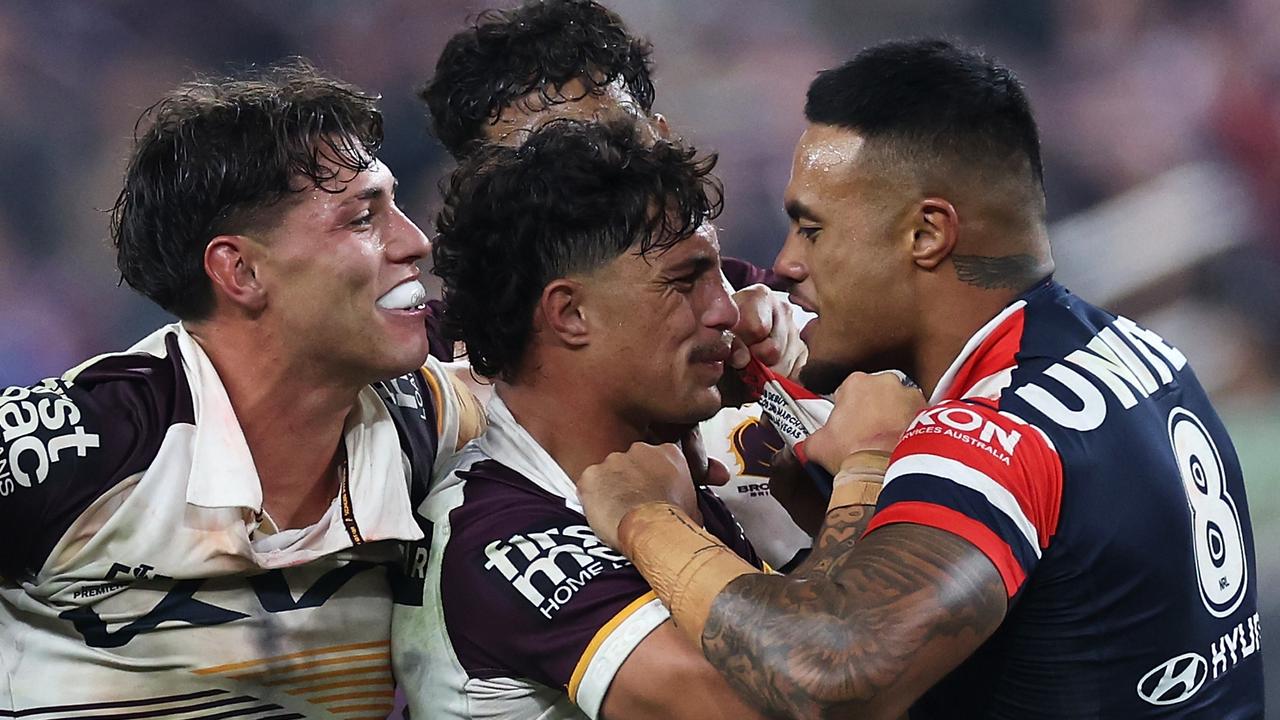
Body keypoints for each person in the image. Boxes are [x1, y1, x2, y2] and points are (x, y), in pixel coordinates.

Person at [576, 39, 1265, 719]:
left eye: (811, 229)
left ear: (928, 234)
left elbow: (834, 675)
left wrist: (648, 517)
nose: (784, 262)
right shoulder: (1138, 351)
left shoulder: (986, 430)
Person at [0, 62, 483, 715]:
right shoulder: (75, 449)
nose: (416, 242)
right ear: (241, 271)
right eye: (363, 218)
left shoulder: (429, 419)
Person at [391, 119, 768, 720]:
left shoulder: (659, 464)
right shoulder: (499, 538)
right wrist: (863, 473)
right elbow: (806, 697)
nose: (725, 310)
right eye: (685, 282)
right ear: (570, 314)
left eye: (719, 276)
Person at [422, 0, 813, 570]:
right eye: (537, 162)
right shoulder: (426, 373)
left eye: (609, 139)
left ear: (659, 136)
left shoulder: (777, 318)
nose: (592, 173)